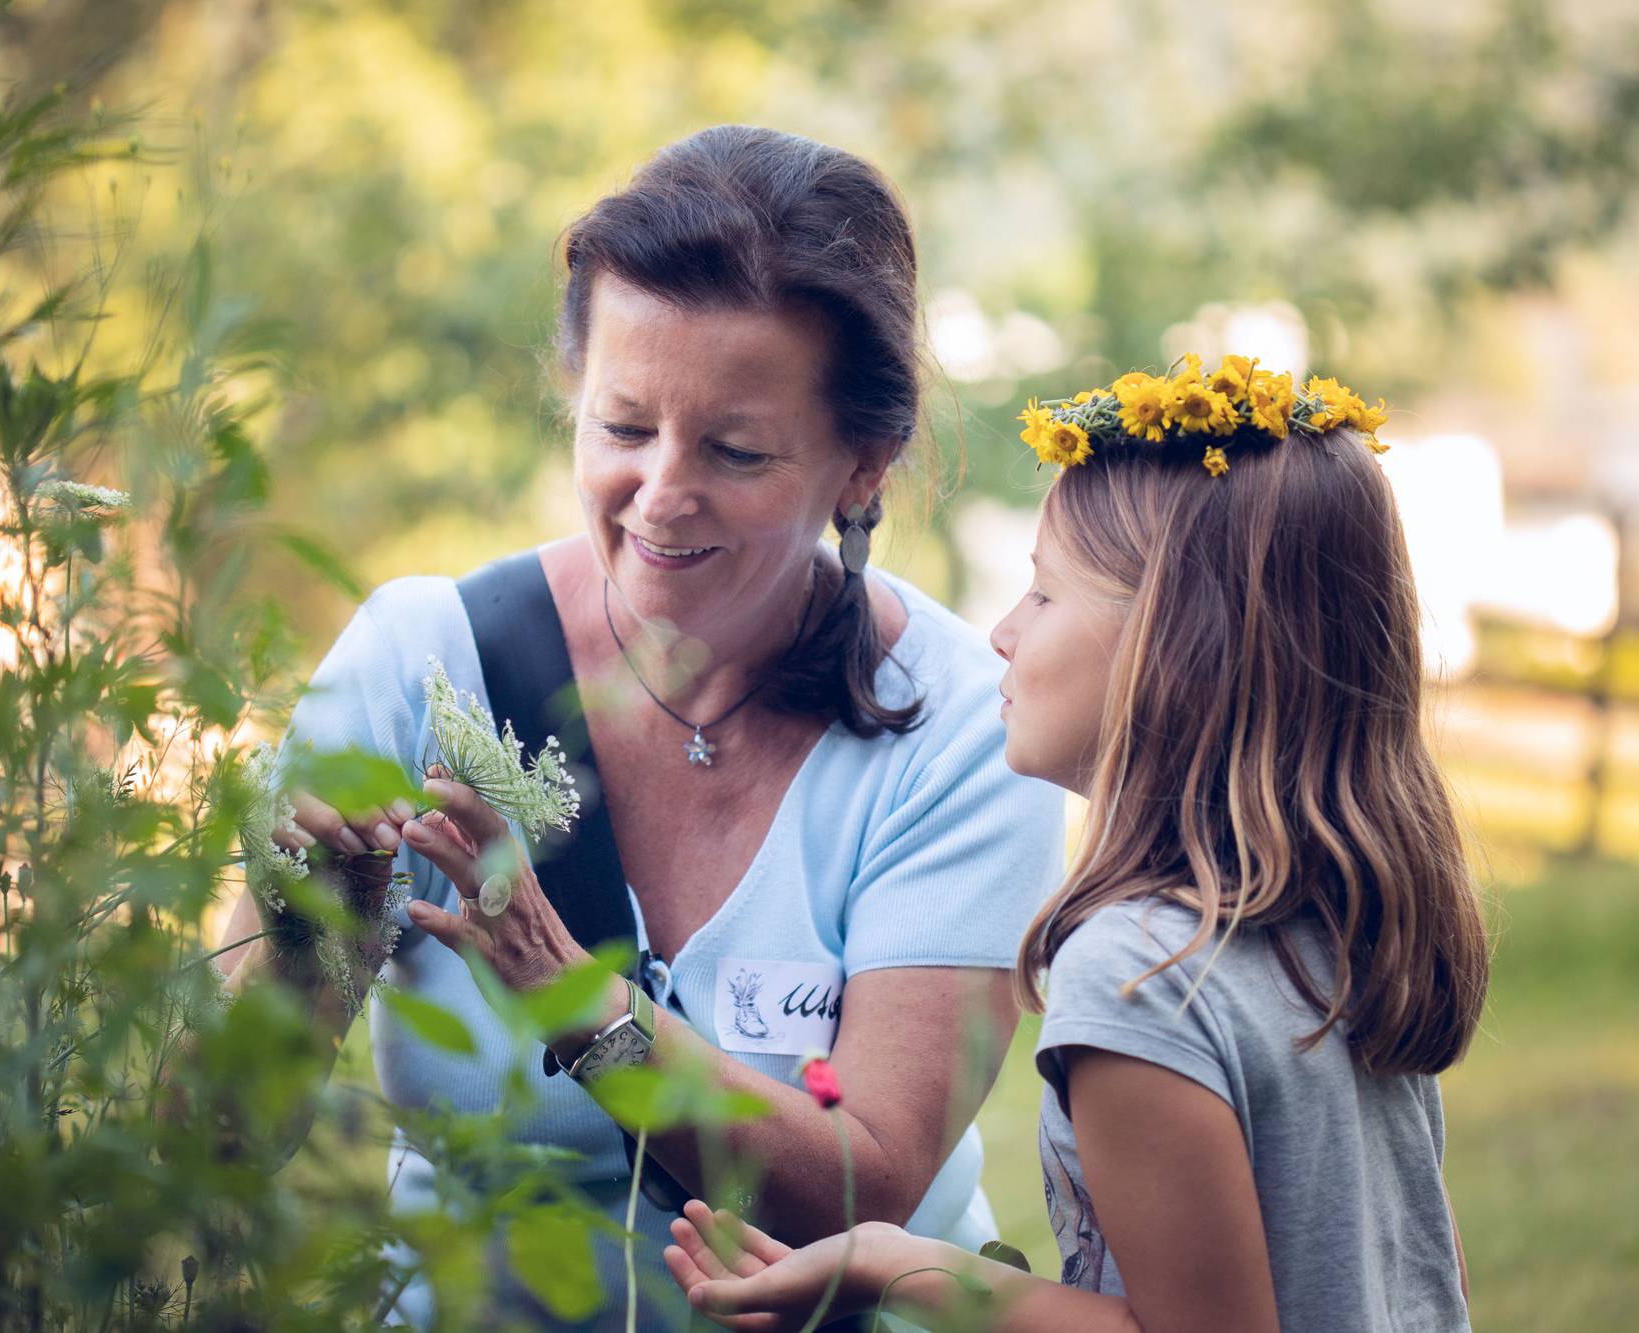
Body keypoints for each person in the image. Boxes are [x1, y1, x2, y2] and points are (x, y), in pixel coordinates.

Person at [213, 125, 1064, 1328]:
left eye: (734, 449)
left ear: (862, 467)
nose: (662, 493)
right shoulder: (420, 663)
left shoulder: (961, 725)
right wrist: (305, 943)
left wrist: (581, 1009)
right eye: (622, 428)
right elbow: (204, 1153)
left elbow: (859, 1189)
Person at [665, 358, 1490, 1332]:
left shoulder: (1139, 973)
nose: (1001, 636)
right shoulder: (1334, 918)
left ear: (1174, 646)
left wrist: (896, 1268)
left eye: (1043, 596)